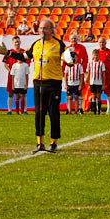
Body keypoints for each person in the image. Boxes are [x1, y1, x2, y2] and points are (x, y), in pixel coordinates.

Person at [29, 18, 68, 152]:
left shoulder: (59, 44)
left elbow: (68, 59)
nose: (42, 30)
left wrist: (71, 59)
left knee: (53, 113)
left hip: (53, 83)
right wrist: (9, 53)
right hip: (38, 82)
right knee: (39, 113)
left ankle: (54, 142)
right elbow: (25, 56)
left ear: (51, 30)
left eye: (45, 28)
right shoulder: (36, 44)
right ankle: (39, 142)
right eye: (40, 28)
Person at [4, 36, 29, 113]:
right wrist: (10, 71)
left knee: (23, 94)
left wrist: (23, 71)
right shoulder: (9, 52)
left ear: (20, 42)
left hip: (22, 77)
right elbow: (5, 63)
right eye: (15, 42)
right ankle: (10, 110)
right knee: (10, 92)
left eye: (18, 41)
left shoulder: (24, 52)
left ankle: (24, 110)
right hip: (12, 76)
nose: (17, 43)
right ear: (13, 43)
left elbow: (28, 63)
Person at [97, 37, 110, 113]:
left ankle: (109, 109)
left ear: (106, 43)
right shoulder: (97, 52)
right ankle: (98, 109)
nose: (101, 44)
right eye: (100, 42)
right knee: (98, 93)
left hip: (107, 76)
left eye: (103, 42)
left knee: (109, 92)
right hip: (98, 77)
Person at [62, 50, 84, 115]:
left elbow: (81, 75)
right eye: (74, 57)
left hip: (77, 83)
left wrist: (80, 84)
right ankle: (69, 111)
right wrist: (66, 84)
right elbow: (65, 75)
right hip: (70, 83)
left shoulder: (79, 66)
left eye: (76, 57)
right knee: (70, 97)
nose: (75, 59)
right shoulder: (68, 66)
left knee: (76, 97)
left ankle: (76, 111)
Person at [85, 49, 106, 115]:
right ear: (92, 55)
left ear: (99, 55)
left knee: (98, 96)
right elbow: (88, 73)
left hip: (99, 82)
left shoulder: (101, 63)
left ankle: (99, 110)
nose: (96, 56)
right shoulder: (90, 63)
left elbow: (103, 74)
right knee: (93, 96)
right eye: (94, 55)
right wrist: (88, 83)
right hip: (92, 82)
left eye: (97, 55)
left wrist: (103, 84)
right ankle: (94, 111)